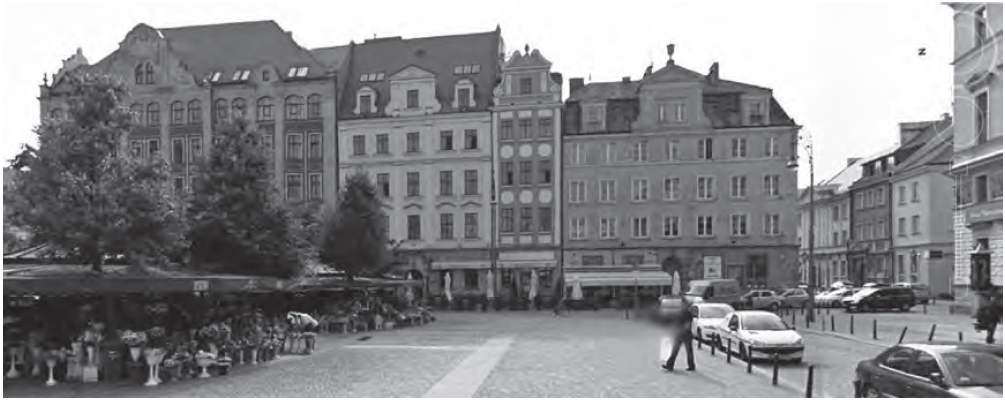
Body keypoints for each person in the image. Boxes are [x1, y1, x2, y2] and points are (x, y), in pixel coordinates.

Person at [662, 297, 695, 372]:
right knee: (675, 350)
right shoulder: (681, 312)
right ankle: (669, 365)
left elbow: (688, 325)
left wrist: (680, 330)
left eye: (683, 304)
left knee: (688, 351)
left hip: (686, 334)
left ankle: (691, 365)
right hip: (680, 333)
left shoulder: (688, 314)